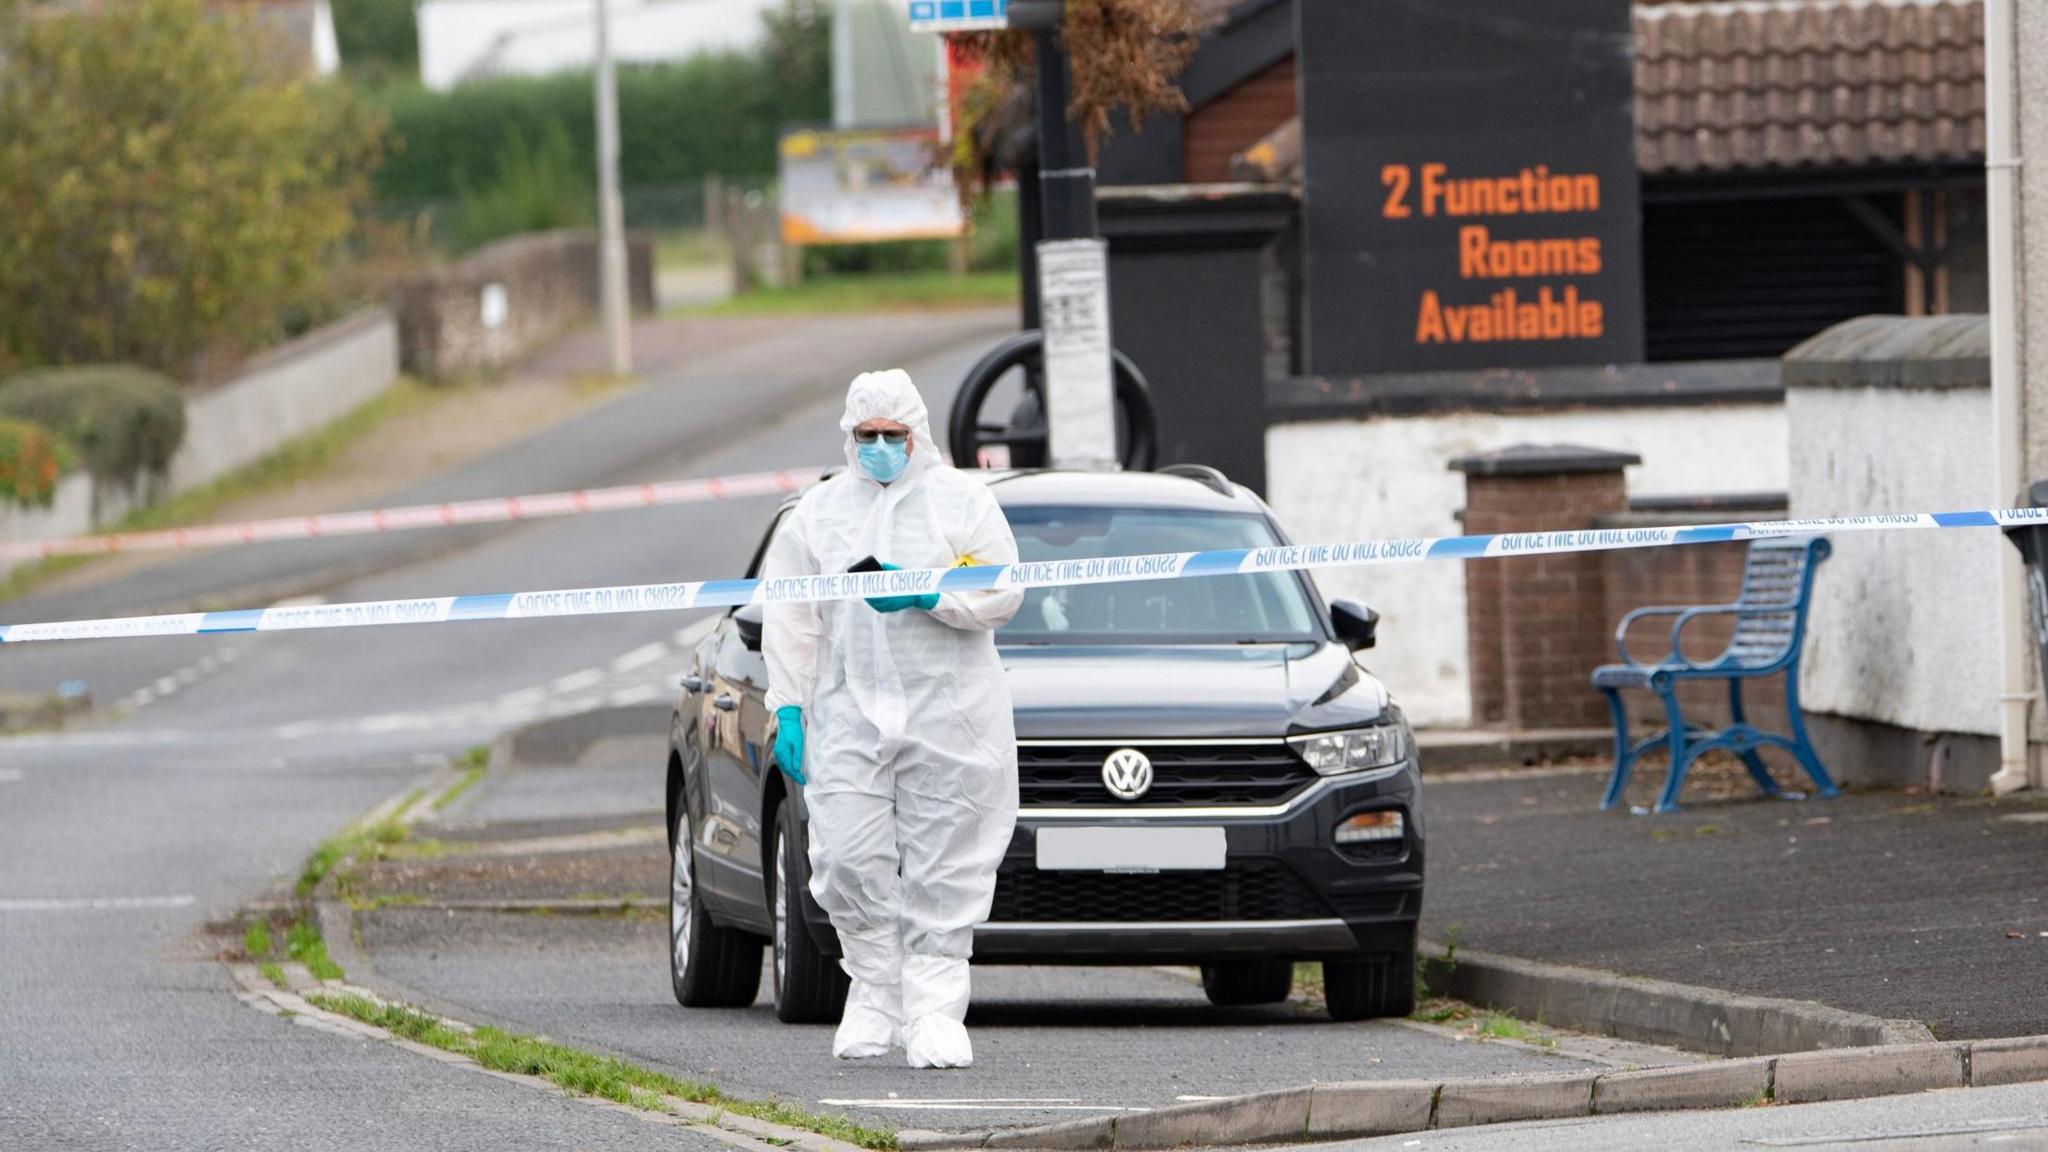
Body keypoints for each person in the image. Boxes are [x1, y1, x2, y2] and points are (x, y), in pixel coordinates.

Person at [762, 370, 1023, 1069]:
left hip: (951, 710)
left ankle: (935, 1008)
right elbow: (790, 613)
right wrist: (787, 702)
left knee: (949, 857)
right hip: (848, 709)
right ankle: (876, 990)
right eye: (867, 436)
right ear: (849, 437)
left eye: (892, 436)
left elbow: (1002, 590)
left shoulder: (960, 502)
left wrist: (925, 593)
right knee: (845, 855)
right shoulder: (817, 515)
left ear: (918, 434)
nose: (879, 447)